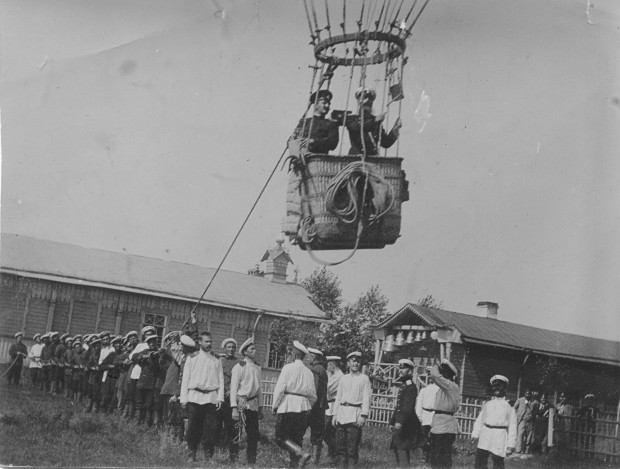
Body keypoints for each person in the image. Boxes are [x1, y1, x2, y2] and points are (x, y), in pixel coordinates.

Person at [180, 331, 225, 463]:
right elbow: (185, 379)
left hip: (211, 398)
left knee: (210, 430)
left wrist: (220, 398)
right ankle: (191, 454)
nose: (209, 344)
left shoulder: (216, 359)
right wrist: (184, 399)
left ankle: (207, 456)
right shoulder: (192, 358)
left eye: (210, 341)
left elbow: (221, 381)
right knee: (193, 427)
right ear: (199, 342)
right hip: (194, 398)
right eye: (206, 341)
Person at [272, 340, 317, 468]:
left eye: (290, 351)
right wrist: (307, 407)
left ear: (294, 354)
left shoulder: (288, 368)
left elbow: (280, 389)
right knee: (296, 439)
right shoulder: (309, 372)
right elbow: (313, 396)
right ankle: (295, 464)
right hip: (303, 407)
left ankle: (301, 453)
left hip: (287, 405)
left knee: (280, 437)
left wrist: (275, 406)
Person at [332, 351, 372, 469]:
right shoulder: (344, 378)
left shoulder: (364, 378)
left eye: (358, 361)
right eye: (353, 361)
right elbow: (338, 397)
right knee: (340, 448)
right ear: (348, 363)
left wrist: (363, 415)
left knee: (352, 449)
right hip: (342, 415)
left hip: (355, 416)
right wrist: (335, 414)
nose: (356, 363)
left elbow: (367, 398)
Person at [471, 375, 517, 469]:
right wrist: (475, 434)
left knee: (498, 462)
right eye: (494, 386)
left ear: (504, 388)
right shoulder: (488, 404)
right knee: (480, 461)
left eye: (499, 386)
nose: (497, 388)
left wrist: (511, 444)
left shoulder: (508, 406)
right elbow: (480, 420)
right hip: (486, 433)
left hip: (499, 435)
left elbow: (512, 426)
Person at [230, 337, 262, 466]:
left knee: (253, 434)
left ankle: (251, 461)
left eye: (255, 348)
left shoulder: (257, 367)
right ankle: (233, 459)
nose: (255, 351)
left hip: (253, 404)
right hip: (241, 403)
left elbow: (259, 389)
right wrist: (234, 407)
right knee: (236, 433)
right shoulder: (239, 366)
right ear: (245, 352)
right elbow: (233, 388)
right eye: (252, 349)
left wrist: (260, 407)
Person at [346, 87, 402, 156]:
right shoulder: (351, 119)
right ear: (358, 101)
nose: (367, 101)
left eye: (370, 99)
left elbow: (385, 143)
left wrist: (394, 130)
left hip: (372, 160)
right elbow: (356, 127)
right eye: (364, 98)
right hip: (355, 158)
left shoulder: (376, 122)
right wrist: (375, 121)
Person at [389, 359, 422, 468]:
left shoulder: (410, 387)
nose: (400, 370)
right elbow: (399, 407)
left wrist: (399, 423)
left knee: (402, 450)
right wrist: (392, 421)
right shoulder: (404, 385)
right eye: (400, 368)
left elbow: (407, 408)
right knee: (398, 450)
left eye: (403, 368)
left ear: (410, 372)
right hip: (401, 423)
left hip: (406, 424)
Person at [428, 359, 460, 469]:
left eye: (443, 373)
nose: (441, 376)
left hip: (445, 426)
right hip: (439, 424)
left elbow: (435, 376)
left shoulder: (451, 386)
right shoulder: (445, 388)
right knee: (435, 457)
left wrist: (436, 366)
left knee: (442, 458)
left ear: (448, 375)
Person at [291, 89, 339, 155]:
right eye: (324, 103)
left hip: (320, 161)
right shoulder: (304, 122)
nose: (328, 106)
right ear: (316, 104)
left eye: (329, 103)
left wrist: (313, 141)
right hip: (302, 160)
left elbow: (333, 143)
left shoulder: (331, 124)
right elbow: (292, 139)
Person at [306, 347, 329, 464]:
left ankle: (310, 459)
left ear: (313, 357)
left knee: (304, 432)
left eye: (309, 355)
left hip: (314, 407)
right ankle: (314, 460)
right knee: (317, 434)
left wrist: (309, 406)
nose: (307, 357)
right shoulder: (322, 369)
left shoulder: (315, 370)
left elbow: (313, 389)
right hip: (321, 407)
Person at [217, 338, 241, 450]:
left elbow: (241, 379)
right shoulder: (220, 361)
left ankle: (227, 446)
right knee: (217, 422)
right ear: (224, 348)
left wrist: (232, 390)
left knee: (229, 423)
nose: (231, 349)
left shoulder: (239, 363)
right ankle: (217, 445)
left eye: (233, 347)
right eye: (229, 347)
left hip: (231, 397)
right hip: (219, 396)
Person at [135, 334, 160, 426]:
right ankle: (138, 421)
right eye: (150, 343)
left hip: (152, 382)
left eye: (153, 342)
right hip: (142, 381)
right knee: (139, 402)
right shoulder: (145, 351)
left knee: (149, 404)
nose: (152, 344)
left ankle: (146, 423)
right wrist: (142, 357)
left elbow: (158, 366)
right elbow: (135, 357)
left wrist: (153, 357)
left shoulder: (158, 353)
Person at [416, 366, 439, 462]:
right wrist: (419, 417)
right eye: (428, 375)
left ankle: (433, 455)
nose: (430, 377)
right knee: (424, 437)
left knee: (434, 437)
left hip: (435, 415)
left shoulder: (439, 390)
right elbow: (419, 405)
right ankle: (425, 455)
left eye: (432, 375)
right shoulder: (424, 390)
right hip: (425, 416)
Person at [324, 355, 344, 463]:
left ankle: (335, 453)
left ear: (332, 365)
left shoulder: (339, 376)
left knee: (327, 432)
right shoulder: (333, 374)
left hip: (333, 407)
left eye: (328, 365)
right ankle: (333, 453)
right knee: (329, 433)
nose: (327, 367)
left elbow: (328, 389)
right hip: (329, 406)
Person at [513, 389, 535, 454]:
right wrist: (518, 414)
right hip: (522, 420)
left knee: (528, 436)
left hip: (530, 421)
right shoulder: (520, 400)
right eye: (527, 394)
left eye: (529, 394)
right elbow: (514, 408)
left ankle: (526, 450)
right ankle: (518, 450)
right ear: (525, 394)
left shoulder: (533, 402)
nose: (528, 395)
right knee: (520, 435)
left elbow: (535, 411)